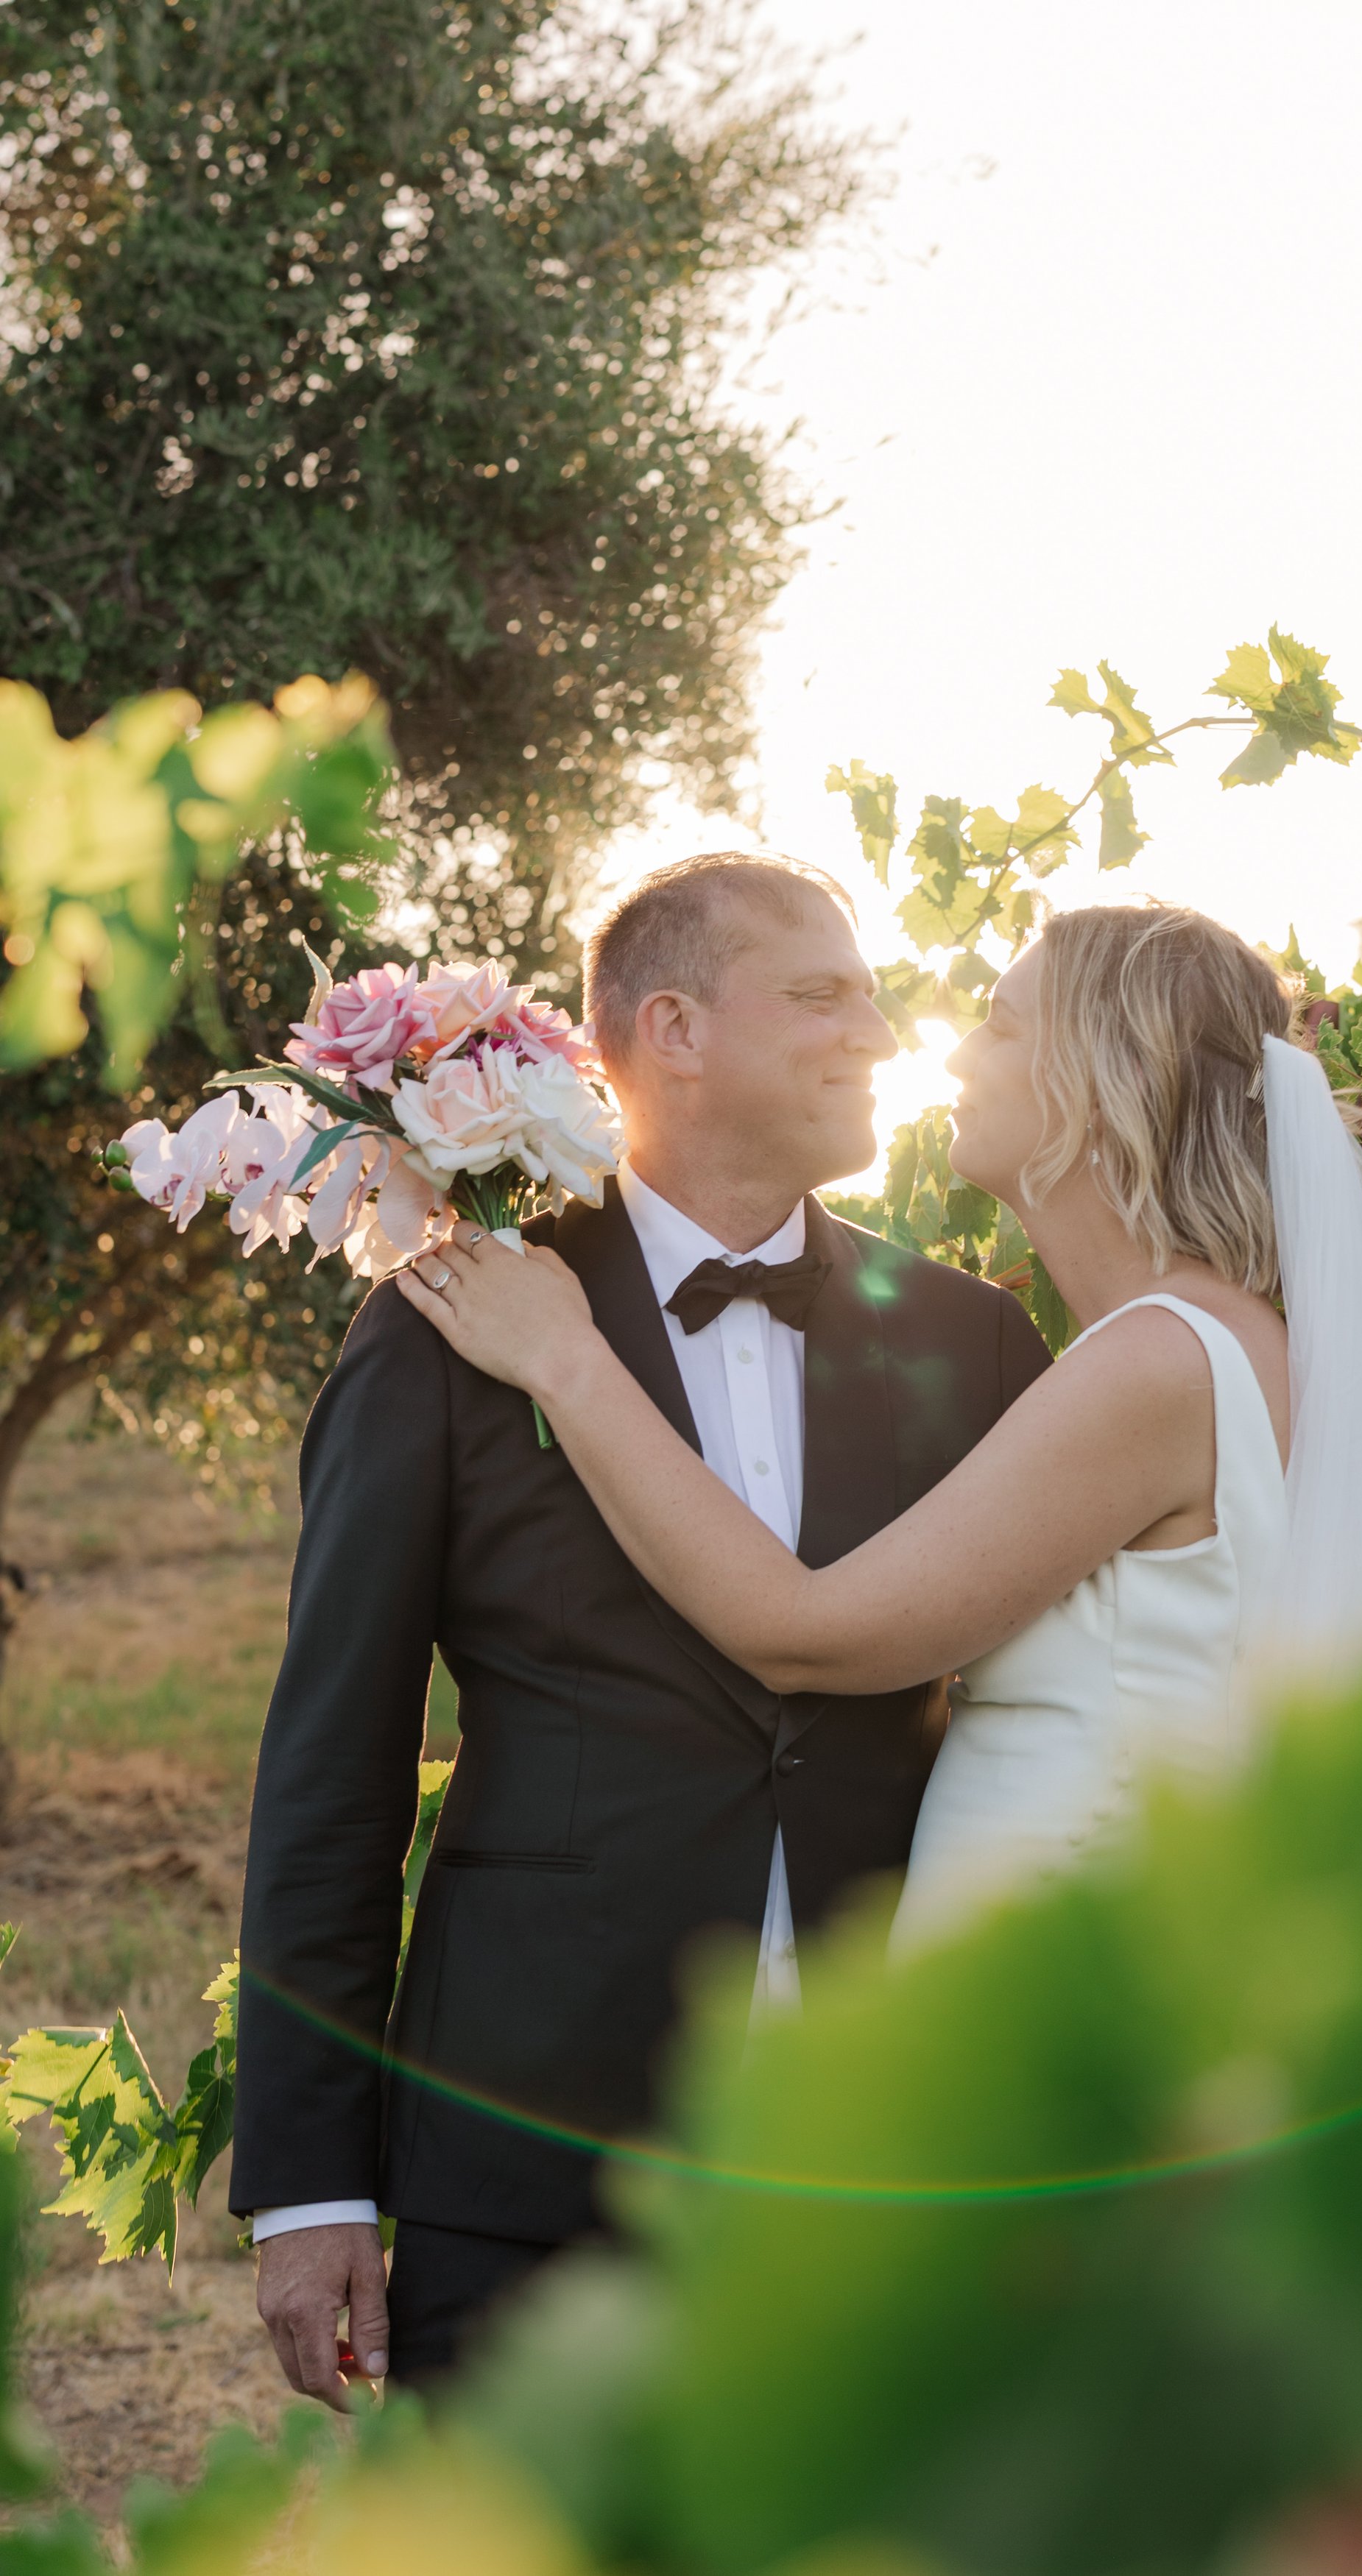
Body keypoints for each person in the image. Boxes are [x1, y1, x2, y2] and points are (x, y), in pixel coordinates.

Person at [229, 853, 1054, 2407]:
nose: (875, 1033)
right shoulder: (454, 1323)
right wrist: (311, 2183)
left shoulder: (972, 1335)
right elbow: (331, 1763)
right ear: (671, 1026)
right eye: (822, 995)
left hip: (886, 2141)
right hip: (529, 2135)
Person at [401, 901, 1362, 1967]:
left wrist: (566, 1362)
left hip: (1058, 1996)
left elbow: (802, 1633)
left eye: (1000, 1025)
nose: (951, 1051)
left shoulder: (1161, 1364)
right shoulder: (1210, 1345)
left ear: (1106, 1074)